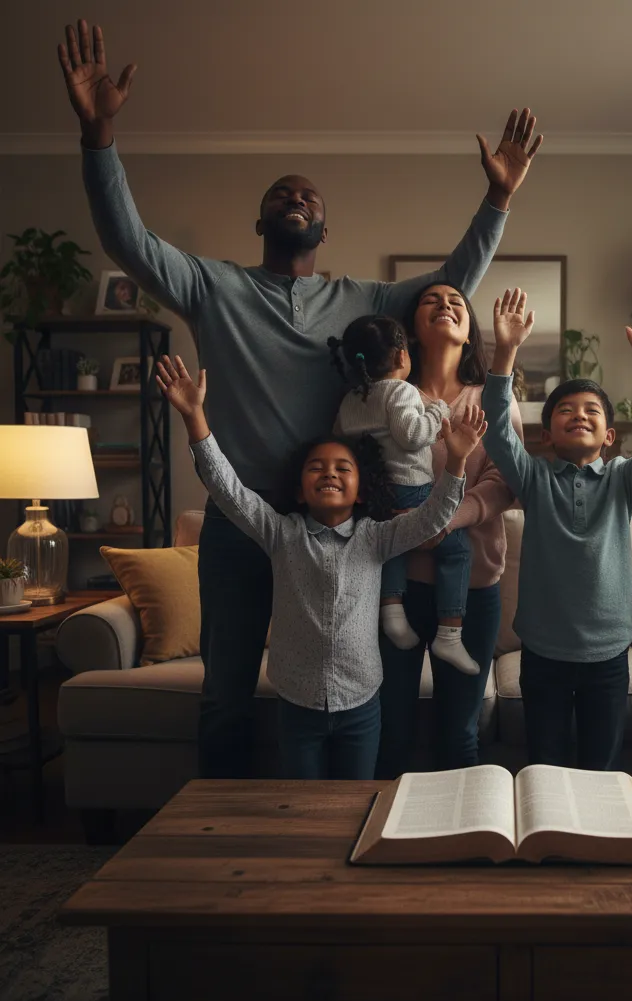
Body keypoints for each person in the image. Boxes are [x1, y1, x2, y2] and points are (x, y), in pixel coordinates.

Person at [57, 18, 542, 778]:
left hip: (335, 531)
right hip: (240, 525)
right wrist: (99, 138)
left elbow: (452, 282)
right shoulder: (212, 286)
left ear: (323, 224)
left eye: (308, 194)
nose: (296, 196)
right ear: (264, 221)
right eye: (281, 192)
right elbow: (130, 243)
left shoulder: (361, 301)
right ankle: (217, 839)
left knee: (338, 695)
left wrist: (498, 199)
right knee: (225, 696)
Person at [156, 354, 486, 779]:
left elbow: (433, 518)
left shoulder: (377, 536)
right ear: (298, 489)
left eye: (342, 468)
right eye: (317, 467)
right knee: (301, 806)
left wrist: (456, 462)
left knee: (354, 804)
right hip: (297, 703)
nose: (329, 473)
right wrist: (195, 416)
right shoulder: (279, 533)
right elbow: (227, 489)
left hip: (362, 703)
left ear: (361, 492)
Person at [481, 291, 632, 770]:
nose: (580, 415)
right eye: (566, 411)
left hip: (608, 655)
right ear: (546, 434)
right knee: (544, 765)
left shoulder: (624, 479)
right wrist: (505, 352)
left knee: (601, 766)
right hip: (542, 653)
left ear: (609, 437)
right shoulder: (532, 479)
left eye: (592, 411)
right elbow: (495, 428)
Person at [374, 281, 525, 778]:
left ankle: (465, 842)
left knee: (460, 731)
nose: (444, 306)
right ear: (411, 331)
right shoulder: (386, 396)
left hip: (474, 587)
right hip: (392, 586)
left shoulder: (492, 399)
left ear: (469, 332)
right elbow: (356, 468)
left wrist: (446, 520)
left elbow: (507, 480)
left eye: (456, 302)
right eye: (430, 301)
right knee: (390, 726)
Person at [332, 314, 477, 674]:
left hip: (372, 493)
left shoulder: (350, 400)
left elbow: (339, 441)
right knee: (457, 548)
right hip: (412, 487)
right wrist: (438, 410)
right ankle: (449, 634)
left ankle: (392, 611)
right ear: (401, 356)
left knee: (389, 547)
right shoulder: (401, 390)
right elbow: (412, 436)